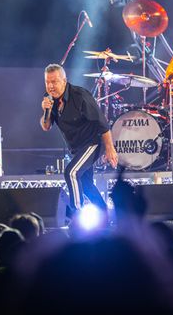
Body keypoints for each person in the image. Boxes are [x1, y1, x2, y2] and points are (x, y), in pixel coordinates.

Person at [40, 64, 117, 217]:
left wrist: (110, 149)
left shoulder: (80, 96)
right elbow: (46, 126)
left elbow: (102, 123)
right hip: (78, 148)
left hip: (93, 142)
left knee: (71, 173)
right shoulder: (50, 100)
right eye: (47, 82)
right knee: (86, 184)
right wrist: (45, 111)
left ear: (64, 81)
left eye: (54, 82)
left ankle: (77, 213)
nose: (50, 86)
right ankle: (104, 214)